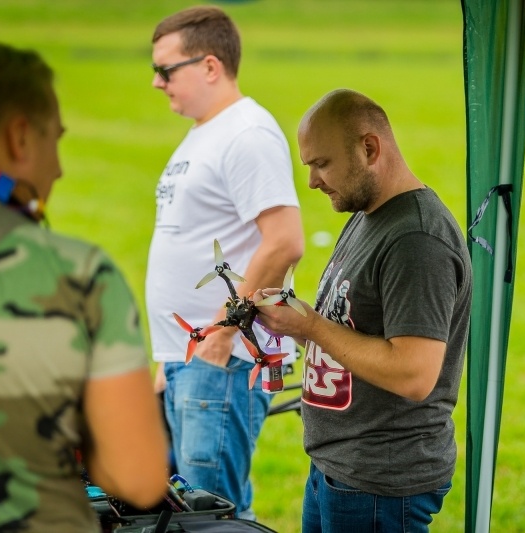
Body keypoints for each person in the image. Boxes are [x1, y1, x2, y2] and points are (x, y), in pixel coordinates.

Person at [0, 43, 168, 532]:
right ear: (20, 137)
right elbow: (139, 477)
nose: (60, 169)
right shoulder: (78, 275)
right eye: (55, 141)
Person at [254, 89, 472, 533]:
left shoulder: (417, 241)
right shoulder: (368, 213)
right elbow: (351, 329)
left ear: (369, 148)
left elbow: (414, 374)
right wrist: (293, 320)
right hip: (341, 471)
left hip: (380, 482)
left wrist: (311, 325)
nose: (313, 181)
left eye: (321, 163)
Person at [145, 5, 304, 520]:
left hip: (223, 362)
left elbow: (284, 241)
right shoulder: (205, 134)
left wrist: (220, 336)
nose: (156, 82)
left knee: (213, 519)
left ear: (210, 66)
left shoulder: (246, 134)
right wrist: (171, 359)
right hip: (188, 363)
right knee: (182, 514)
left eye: (167, 69)